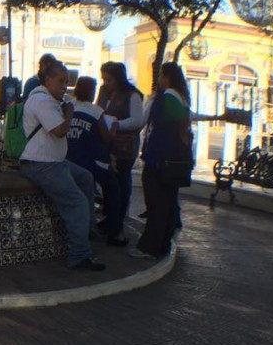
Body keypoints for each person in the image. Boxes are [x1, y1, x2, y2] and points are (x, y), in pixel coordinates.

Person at [19, 61, 105, 271]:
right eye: (60, 81)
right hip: (43, 165)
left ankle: (87, 229)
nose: (64, 86)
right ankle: (79, 255)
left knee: (85, 178)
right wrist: (69, 112)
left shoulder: (50, 99)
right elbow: (59, 130)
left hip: (54, 161)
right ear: (48, 80)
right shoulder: (43, 102)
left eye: (67, 82)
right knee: (77, 204)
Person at [129, 62, 193, 260]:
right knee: (167, 203)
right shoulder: (180, 98)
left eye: (160, 75)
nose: (158, 80)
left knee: (157, 204)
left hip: (160, 159)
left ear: (166, 76)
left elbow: (179, 122)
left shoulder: (166, 98)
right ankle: (162, 244)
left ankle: (150, 247)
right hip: (169, 159)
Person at [67, 76, 127, 247]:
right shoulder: (96, 111)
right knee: (113, 189)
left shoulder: (69, 108)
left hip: (71, 160)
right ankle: (114, 232)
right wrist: (114, 128)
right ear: (91, 91)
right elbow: (107, 139)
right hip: (93, 161)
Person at [96, 62, 144, 222]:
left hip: (124, 148)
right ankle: (109, 216)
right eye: (104, 79)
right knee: (108, 183)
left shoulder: (132, 95)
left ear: (118, 78)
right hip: (106, 145)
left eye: (109, 79)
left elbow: (138, 120)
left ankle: (118, 219)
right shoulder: (104, 91)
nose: (106, 83)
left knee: (122, 183)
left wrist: (117, 124)